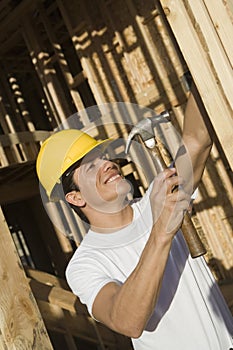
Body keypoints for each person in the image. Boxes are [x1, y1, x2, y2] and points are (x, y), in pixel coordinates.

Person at [36, 86, 233, 350]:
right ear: (76, 197)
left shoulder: (159, 200)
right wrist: (161, 233)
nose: (108, 164)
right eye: (91, 166)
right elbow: (127, 321)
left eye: (103, 157)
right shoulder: (85, 264)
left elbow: (197, 141)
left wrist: (200, 75)